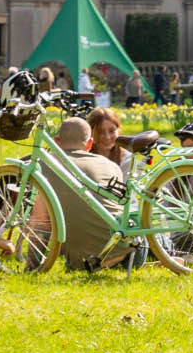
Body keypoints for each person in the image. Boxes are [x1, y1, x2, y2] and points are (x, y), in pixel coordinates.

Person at [40, 116, 130, 270]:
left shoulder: (44, 166)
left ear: (56, 141)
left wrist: (33, 267)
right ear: (89, 143)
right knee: (157, 237)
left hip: (79, 262)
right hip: (125, 254)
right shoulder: (110, 165)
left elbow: (40, 224)